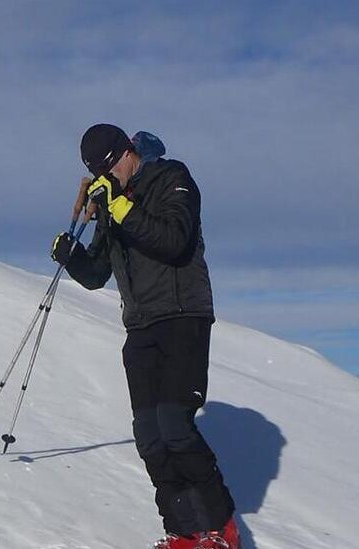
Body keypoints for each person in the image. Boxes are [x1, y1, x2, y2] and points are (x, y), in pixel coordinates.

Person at [51, 124, 240, 549]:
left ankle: (221, 527)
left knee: (175, 426)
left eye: (111, 167)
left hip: (182, 315)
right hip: (139, 324)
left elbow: (174, 240)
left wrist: (119, 208)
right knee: (149, 436)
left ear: (126, 153)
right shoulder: (112, 201)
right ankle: (185, 531)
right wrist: (73, 257)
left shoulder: (172, 177)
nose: (109, 177)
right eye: (99, 173)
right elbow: (99, 274)